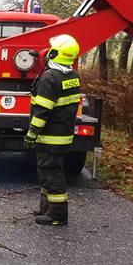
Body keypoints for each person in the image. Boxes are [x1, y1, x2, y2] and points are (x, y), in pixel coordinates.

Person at [24, 33, 82, 227]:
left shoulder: (50, 79)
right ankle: (45, 207)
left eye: (51, 50)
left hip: (50, 137)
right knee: (47, 171)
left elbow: (42, 112)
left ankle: (57, 214)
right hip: (63, 135)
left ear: (56, 53)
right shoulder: (72, 76)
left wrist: (32, 134)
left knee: (51, 173)